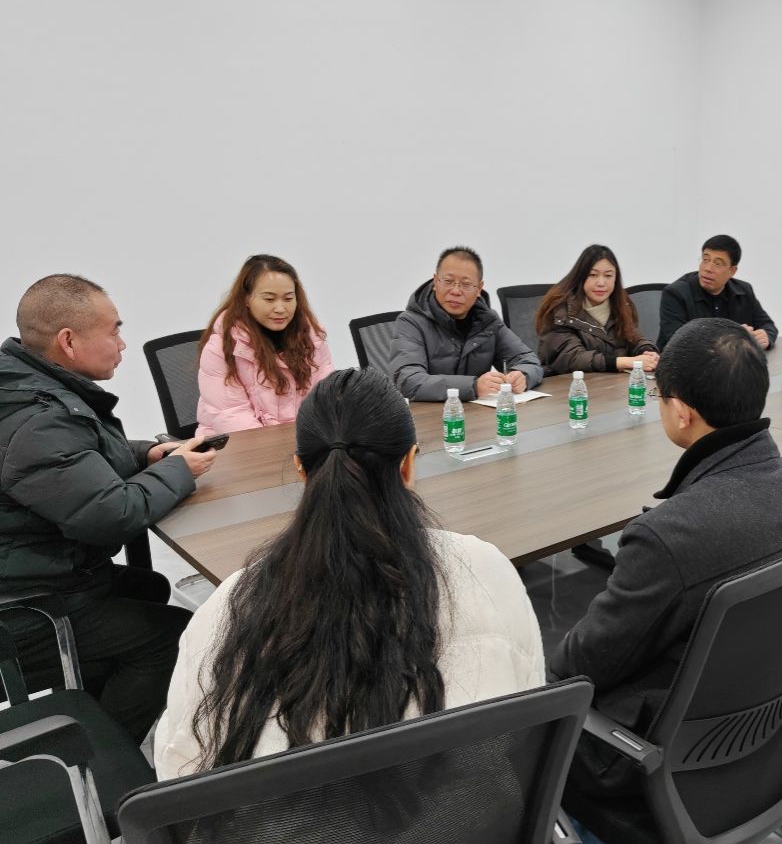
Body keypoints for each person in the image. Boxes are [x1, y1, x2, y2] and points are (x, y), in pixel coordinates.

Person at [154, 367, 545, 778]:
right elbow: (529, 725)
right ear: (408, 464)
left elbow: (177, 768)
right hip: (467, 811)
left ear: (302, 470)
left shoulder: (226, 608)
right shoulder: (487, 570)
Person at [549, 318, 782, 807]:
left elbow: (581, 667)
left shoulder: (669, 534)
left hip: (659, 760)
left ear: (681, 411)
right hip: (775, 729)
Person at [0, 275, 216, 743]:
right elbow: (111, 515)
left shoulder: (26, 386)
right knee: (175, 637)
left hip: (37, 572)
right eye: (114, 330)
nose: (122, 344)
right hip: (25, 608)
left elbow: (76, 456)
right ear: (69, 341)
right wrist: (179, 471)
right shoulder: (39, 419)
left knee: (150, 586)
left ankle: (93, 709)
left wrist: (146, 455)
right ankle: (101, 759)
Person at [196, 254, 334, 436]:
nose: (280, 308)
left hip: (299, 443)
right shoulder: (221, 348)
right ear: (246, 299)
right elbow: (231, 417)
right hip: (233, 445)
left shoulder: (311, 338)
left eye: (288, 298)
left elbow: (326, 399)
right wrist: (289, 446)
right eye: (269, 299)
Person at [391, 247, 544, 401]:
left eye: (466, 284)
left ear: (479, 289)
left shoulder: (488, 321)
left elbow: (528, 360)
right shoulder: (410, 322)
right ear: (435, 282)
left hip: (476, 412)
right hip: (431, 414)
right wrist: (473, 386)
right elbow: (408, 380)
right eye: (448, 281)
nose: (456, 291)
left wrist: (523, 375)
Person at [535, 245, 659, 374]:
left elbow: (633, 337)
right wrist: (624, 362)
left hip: (612, 382)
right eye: (593, 275)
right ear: (580, 276)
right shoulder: (560, 309)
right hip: (569, 383)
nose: (601, 283)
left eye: (608, 275)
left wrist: (647, 351)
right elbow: (571, 358)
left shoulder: (622, 304)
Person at [657, 234, 778, 350]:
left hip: (732, 363)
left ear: (732, 271)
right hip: (682, 363)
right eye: (705, 259)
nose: (708, 268)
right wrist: (731, 339)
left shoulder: (743, 291)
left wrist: (765, 337)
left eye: (718, 263)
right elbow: (680, 343)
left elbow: (768, 325)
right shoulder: (675, 294)